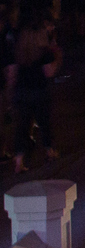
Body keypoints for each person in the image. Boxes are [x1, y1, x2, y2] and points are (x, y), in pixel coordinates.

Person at [10, 19, 59, 171]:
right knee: (44, 123)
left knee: (22, 127)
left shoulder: (19, 53)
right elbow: (49, 72)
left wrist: (12, 93)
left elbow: (12, 74)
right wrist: (57, 58)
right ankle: (49, 151)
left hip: (22, 91)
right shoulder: (43, 52)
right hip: (39, 90)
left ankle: (19, 160)